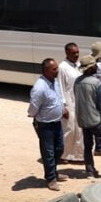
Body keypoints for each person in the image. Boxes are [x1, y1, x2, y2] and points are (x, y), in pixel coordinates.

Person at [28, 58, 67, 191]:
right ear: (46, 71)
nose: (57, 70)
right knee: (48, 152)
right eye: (54, 69)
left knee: (59, 148)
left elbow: (58, 97)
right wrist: (36, 118)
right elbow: (33, 108)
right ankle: (51, 179)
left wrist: (63, 109)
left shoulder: (54, 82)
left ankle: (54, 172)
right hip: (45, 125)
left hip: (57, 122)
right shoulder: (39, 87)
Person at [74, 55, 101, 178]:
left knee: (87, 146)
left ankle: (89, 171)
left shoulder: (77, 81)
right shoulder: (96, 83)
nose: (96, 66)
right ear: (89, 68)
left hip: (83, 119)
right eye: (94, 65)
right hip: (96, 119)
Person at [58, 42, 84, 163]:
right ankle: (64, 155)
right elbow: (61, 87)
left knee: (79, 130)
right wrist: (64, 106)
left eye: (77, 52)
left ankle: (78, 155)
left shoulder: (78, 65)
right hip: (69, 103)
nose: (76, 55)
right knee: (69, 130)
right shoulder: (62, 67)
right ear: (67, 53)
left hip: (79, 101)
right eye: (73, 53)